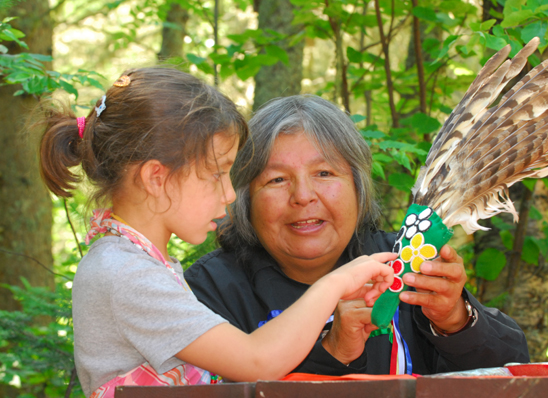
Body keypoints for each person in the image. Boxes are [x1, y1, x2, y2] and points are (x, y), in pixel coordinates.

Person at [38, 70, 396, 397]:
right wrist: (336, 283)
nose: (229, 193)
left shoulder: (138, 264)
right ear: (156, 178)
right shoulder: (124, 274)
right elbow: (257, 360)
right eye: (216, 174)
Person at [185, 94, 530, 376]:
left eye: (324, 172)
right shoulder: (209, 291)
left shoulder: (405, 261)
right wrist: (333, 354)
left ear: (357, 187)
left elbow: (513, 368)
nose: (303, 196)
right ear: (244, 198)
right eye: (276, 179)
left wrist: (454, 320)